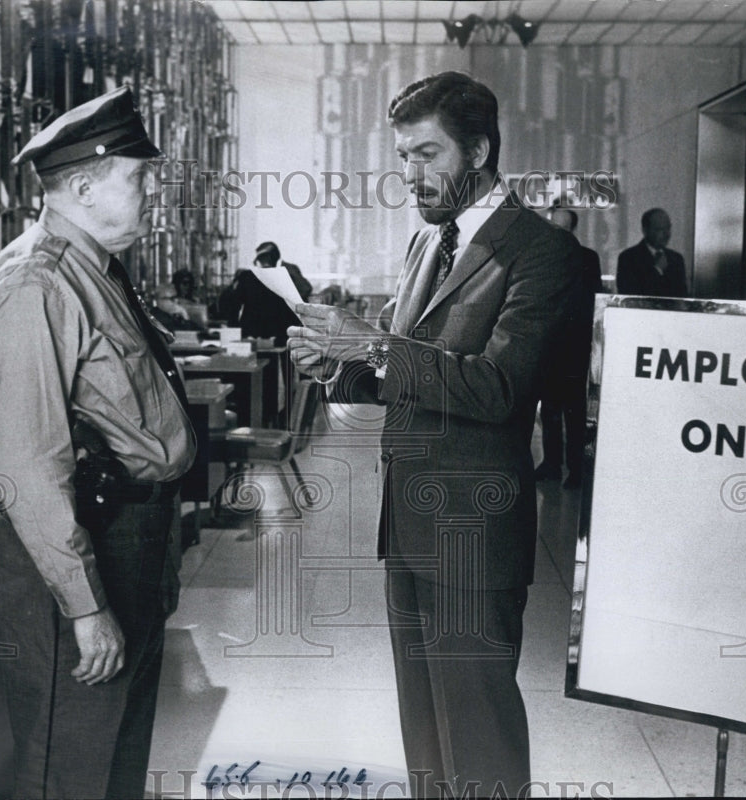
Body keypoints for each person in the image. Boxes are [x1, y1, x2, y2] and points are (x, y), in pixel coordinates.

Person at [287, 71, 580, 798]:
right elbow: (399, 375)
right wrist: (335, 366)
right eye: (403, 156)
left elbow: (497, 386)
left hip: (473, 528)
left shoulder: (543, 254)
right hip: (409, 524)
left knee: (479, 740)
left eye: (426, 154)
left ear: (478, 150)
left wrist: (376, 346)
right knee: (424, 733)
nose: (409, 173)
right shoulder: (427, 244)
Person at [0, 85, 196, 800]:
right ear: (82, 185)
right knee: (70, 766)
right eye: (138, 177)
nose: (149, 192)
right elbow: (28, 469)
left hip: (131, 537)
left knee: (117, 757)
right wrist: (84, 605)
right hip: (80, 551)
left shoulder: (97, 271)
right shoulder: (36, 285)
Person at [535, 207, 603, 487]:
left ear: (573, 229)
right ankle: (552, 464)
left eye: (564, 227)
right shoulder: (539, 258)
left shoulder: (588, 258)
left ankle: (576, 469)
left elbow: (593, 302)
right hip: (549, 346)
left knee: (575, 413)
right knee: (550, 411)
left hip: (574, 346)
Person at [216, 242, 311, 345]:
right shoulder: (250, 276)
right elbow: (305, 292)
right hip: (274, 334)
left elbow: (230, 306)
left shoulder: (250, 276)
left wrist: (234, 328)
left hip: (262, 334)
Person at [616, 208, 688, 297]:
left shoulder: (676, 259)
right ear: (645, 231)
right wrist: (657, 270)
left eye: (668, 228)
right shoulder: (628, 258)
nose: (666, 234)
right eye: (659, 229)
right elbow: (628, 294)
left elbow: (682, 295)